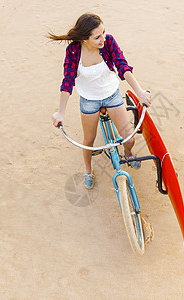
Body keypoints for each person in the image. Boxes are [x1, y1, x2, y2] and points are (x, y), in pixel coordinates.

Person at [49, 13, 152, 189]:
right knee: (88, 141)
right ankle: (88, 171)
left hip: (112, 94)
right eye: (97, 37)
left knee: (129, 139)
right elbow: (67, 81)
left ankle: (128, 154)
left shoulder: (108, 42)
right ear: (84, 38)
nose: (103, 39)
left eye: (103, 32)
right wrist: (61, 112)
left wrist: (140, 92)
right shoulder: (73, 51)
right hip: (89, 100)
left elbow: (122, 66)